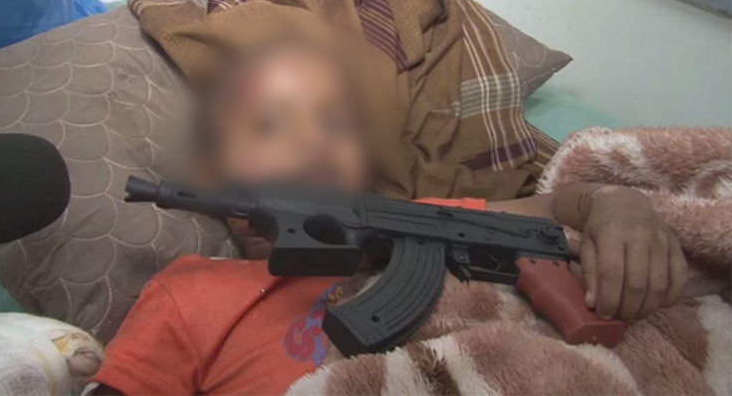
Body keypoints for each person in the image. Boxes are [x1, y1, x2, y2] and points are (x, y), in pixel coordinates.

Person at [88, 41, 688, 396]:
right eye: (270, 125)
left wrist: (620, 205)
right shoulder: (187, 292)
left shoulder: (411, 224)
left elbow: (561, 207)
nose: (310, 140)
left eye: (333, 123)